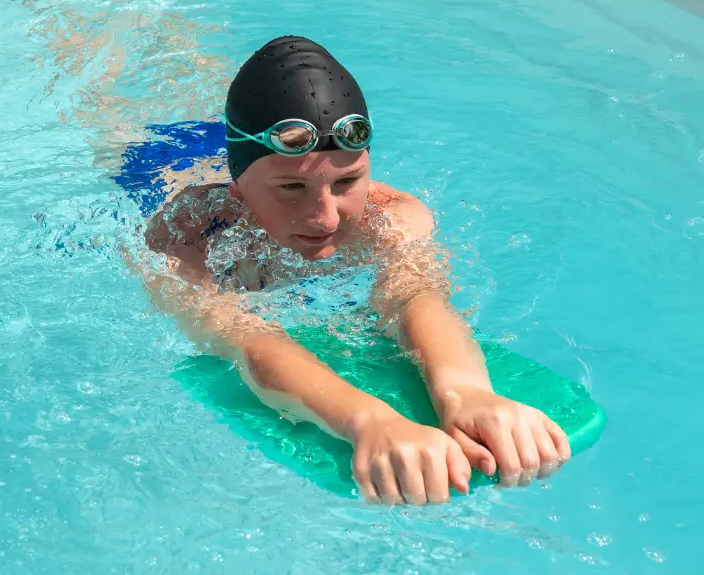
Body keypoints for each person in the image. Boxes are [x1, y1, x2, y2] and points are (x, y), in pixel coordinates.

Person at [129, 35, 571, 506]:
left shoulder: (392, 214)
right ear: (238, 187)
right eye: (290, 188)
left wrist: (466, 391)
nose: (326, 218)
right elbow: (245, 338)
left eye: (346, 182)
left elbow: (414, 295)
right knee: (120, 85)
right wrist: (368, 421)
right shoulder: (182, 235)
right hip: (155, 160)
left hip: (253, 145)